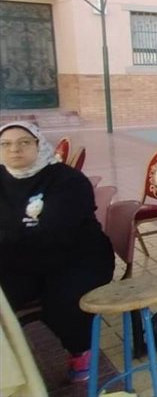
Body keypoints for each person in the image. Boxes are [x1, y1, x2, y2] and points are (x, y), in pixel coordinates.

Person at [0, 122, 114, 382]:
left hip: (76, 257)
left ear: (39, 145)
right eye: (5, 144)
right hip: (17, 259)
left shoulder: (67, 180)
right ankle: (11, 367)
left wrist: (9, 238)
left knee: (64, 300)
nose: (14, 149)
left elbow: (55, 233)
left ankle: (79, 349)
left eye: (24, 142)